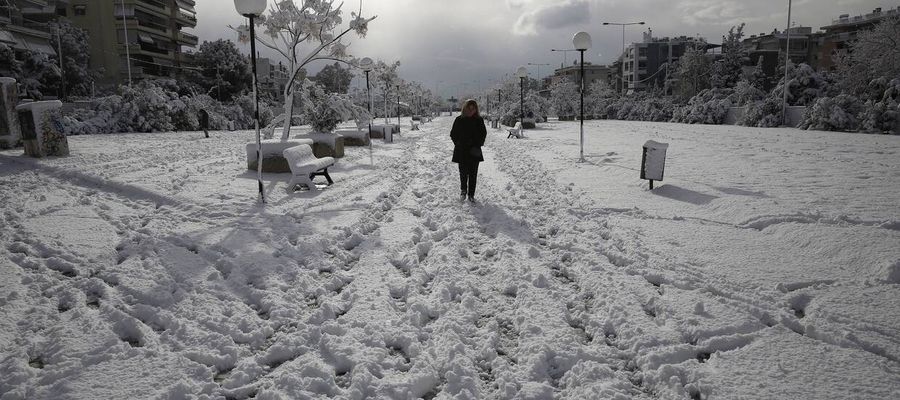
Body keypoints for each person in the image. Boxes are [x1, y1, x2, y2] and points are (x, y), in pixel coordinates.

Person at [450, 99, 487, 203]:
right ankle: (463, 190)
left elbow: (483, 133)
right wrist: (458, 144)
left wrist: (478, 144)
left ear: (476, 109)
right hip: (462, 151)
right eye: (469, 108)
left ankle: (471, 194)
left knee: (473, 174)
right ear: (465, 108)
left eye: (473, 108)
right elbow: (453, 134)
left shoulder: (479, 120)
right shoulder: (459, 119)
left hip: (474, 151)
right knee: (463, 173)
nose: (471, 110)